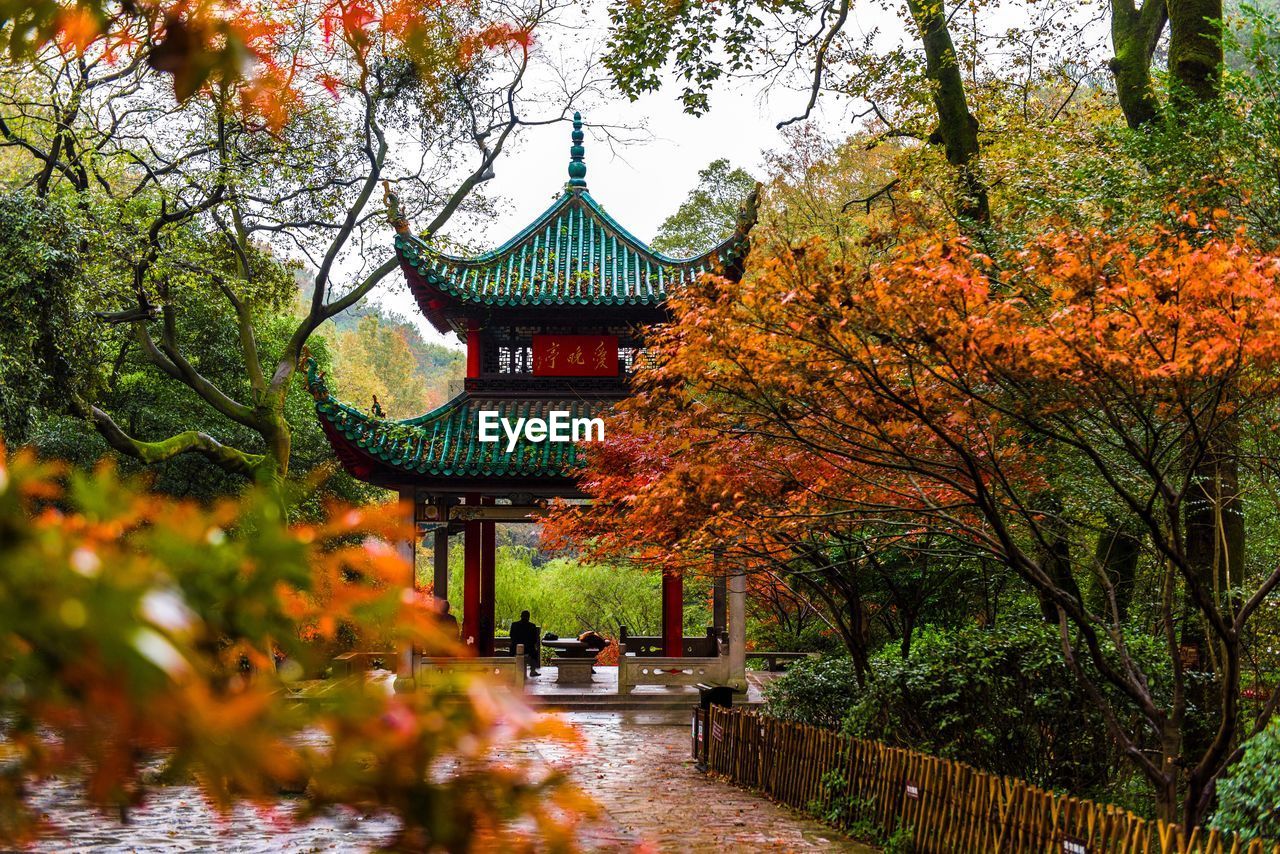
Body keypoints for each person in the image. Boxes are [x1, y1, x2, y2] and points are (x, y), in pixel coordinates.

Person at [509, 610, 541, 676]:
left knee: (511, 649)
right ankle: (532, 671)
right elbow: (534, 639)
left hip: (515, 648)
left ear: (521, 616)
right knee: (534, 652)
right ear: (528, 617)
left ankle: (511, 669)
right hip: (528, 649)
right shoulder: (532, 626)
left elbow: (511, 636)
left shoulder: (514, 625)